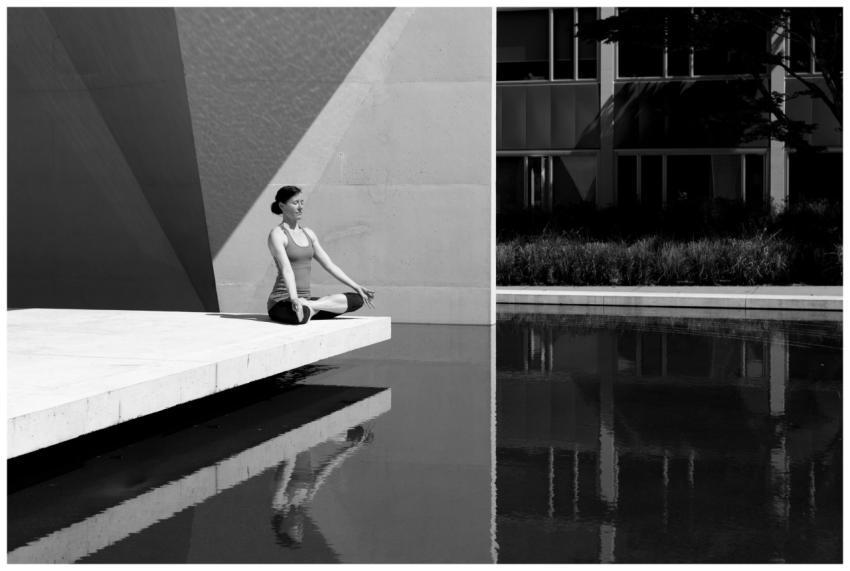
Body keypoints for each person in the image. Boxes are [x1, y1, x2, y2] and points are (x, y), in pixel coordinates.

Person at [267, 185, 375, 324]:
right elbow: (286, 269)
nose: (300, 207)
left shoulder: (309, 234)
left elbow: (330, 265)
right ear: (282, 206)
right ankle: (307, 308)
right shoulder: (277, 234)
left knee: (357, 300)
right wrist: (294, 299)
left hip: (306, 301)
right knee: (301, 315)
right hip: (282, 302)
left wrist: (356, 286)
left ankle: (312, 307)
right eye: (295, 203)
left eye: (301, 202)